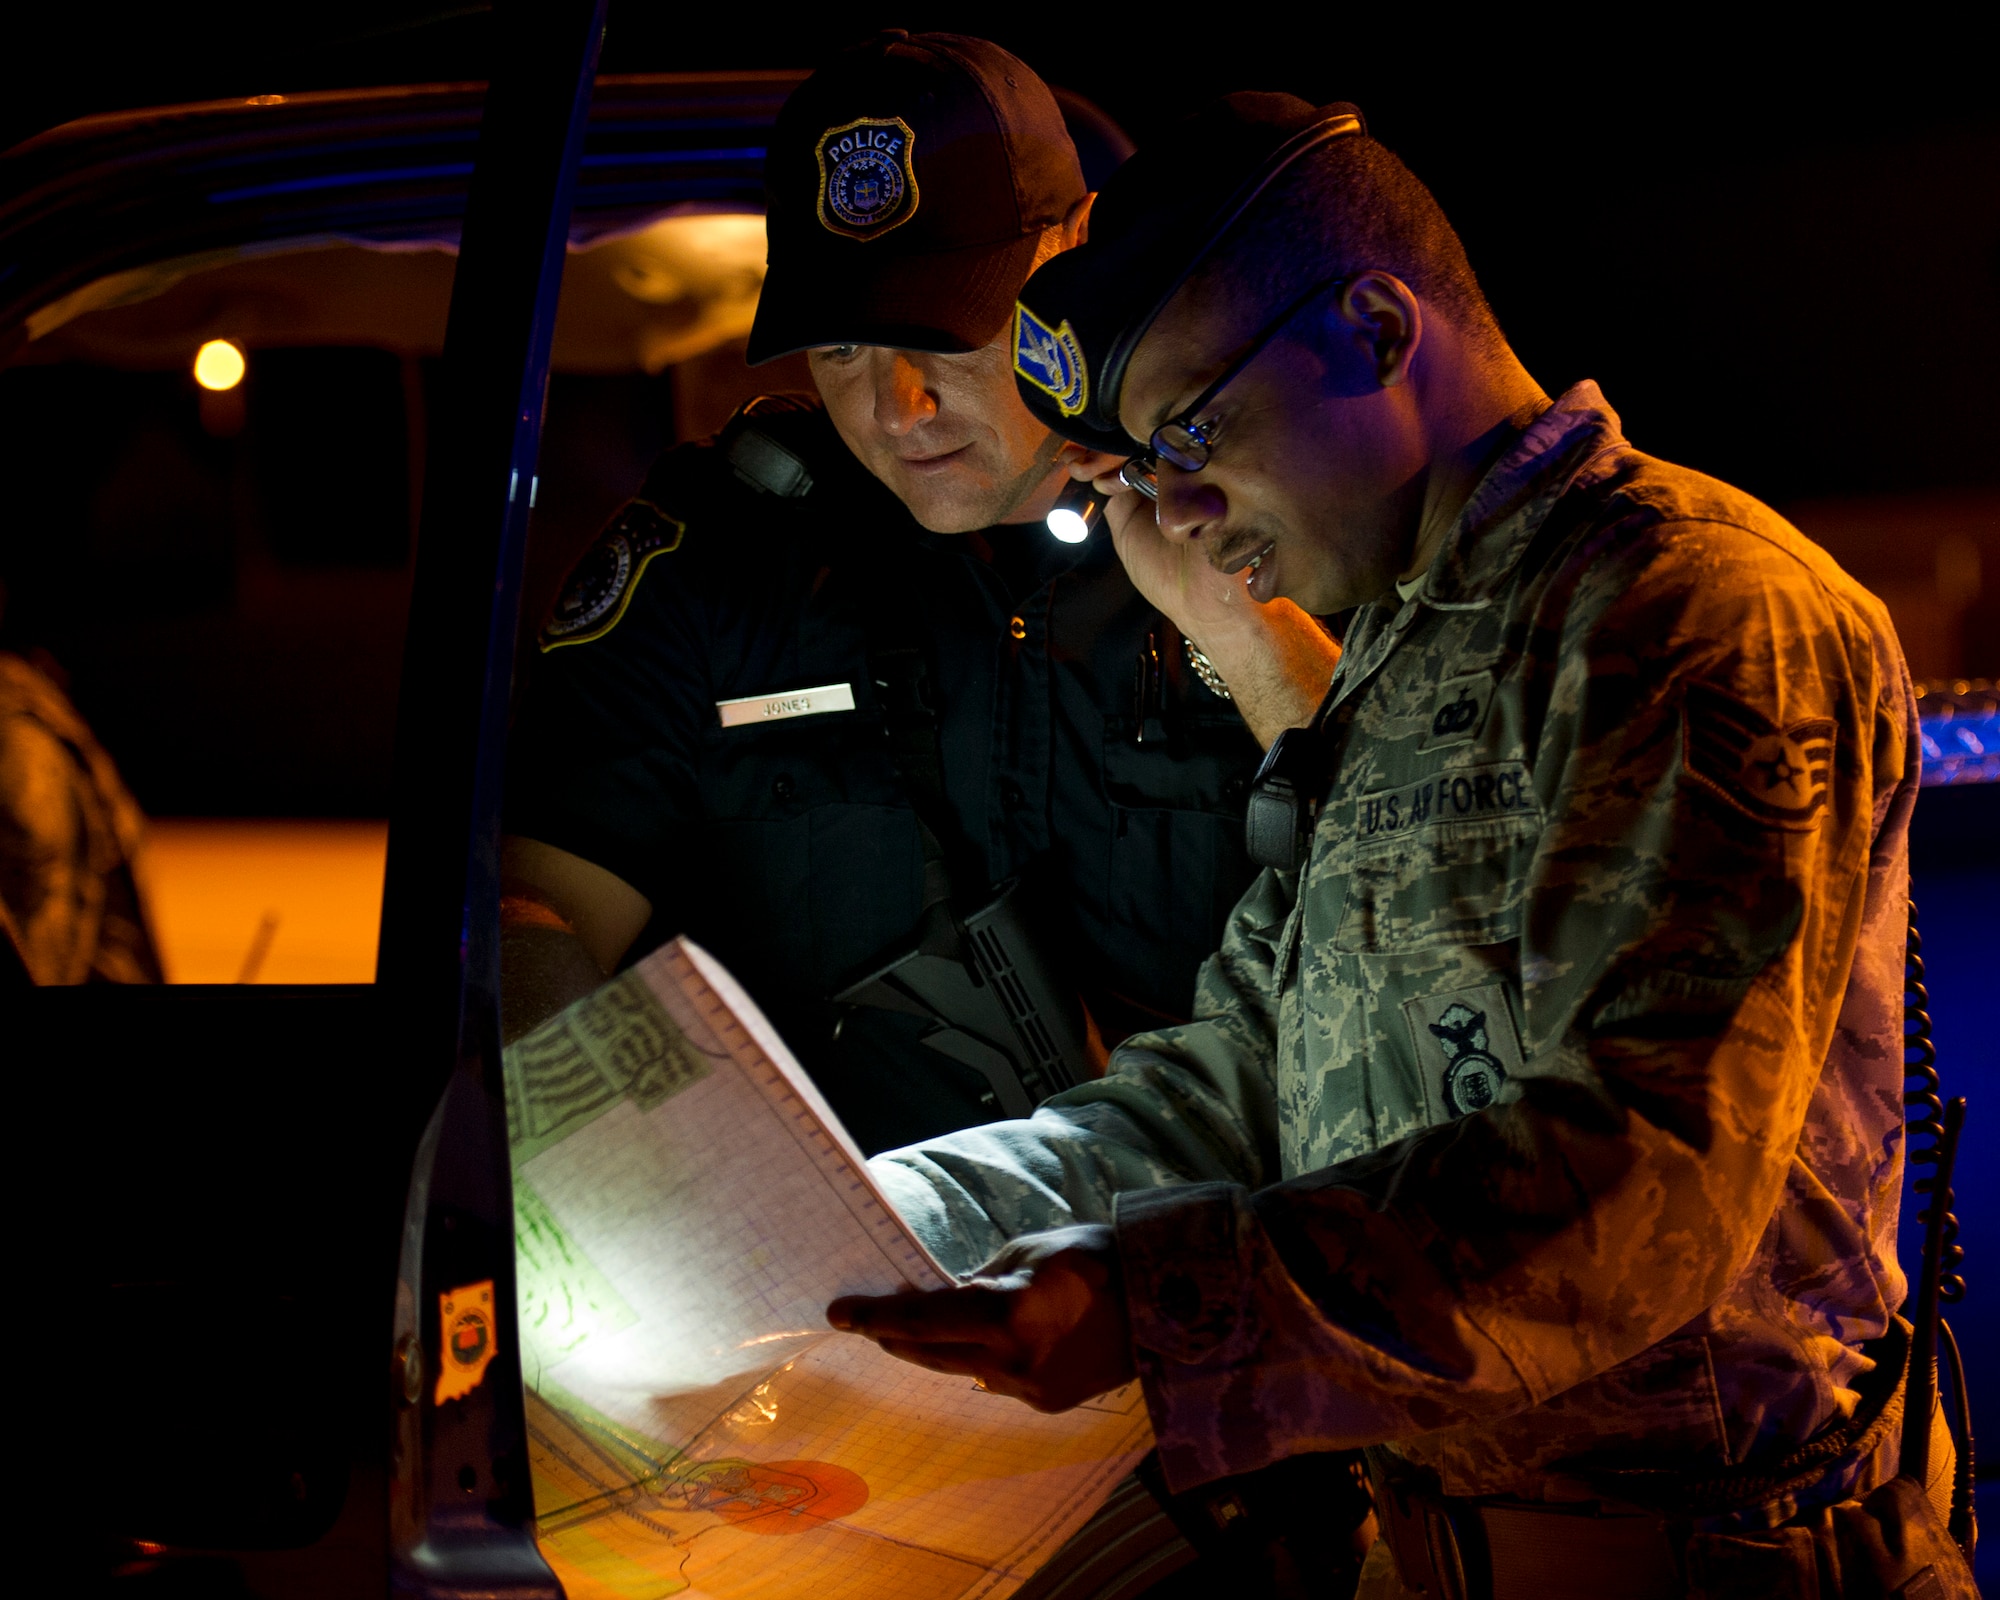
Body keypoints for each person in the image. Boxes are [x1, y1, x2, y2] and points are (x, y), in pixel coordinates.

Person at [828, 95, 1970, 1598]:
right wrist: (875, 1227)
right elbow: (1245, 1085)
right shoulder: (1403, 655)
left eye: (1190, 435)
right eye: (1136, 472)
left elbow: (1647, 1179)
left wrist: (1156, 1304)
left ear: (1373, 330)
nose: (1170, 514)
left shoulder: (1695, 618)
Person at [501, 35, 1339, 1160]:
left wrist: (1242, 628)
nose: (898, 406)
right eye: (842, 343)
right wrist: (642, 1203)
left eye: (947, 328)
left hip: (1216, 1267)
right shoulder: (716, 562)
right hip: (832, 1290)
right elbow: (528, 916)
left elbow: (1426, 888)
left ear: (1076, 253)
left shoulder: (1270, 508)